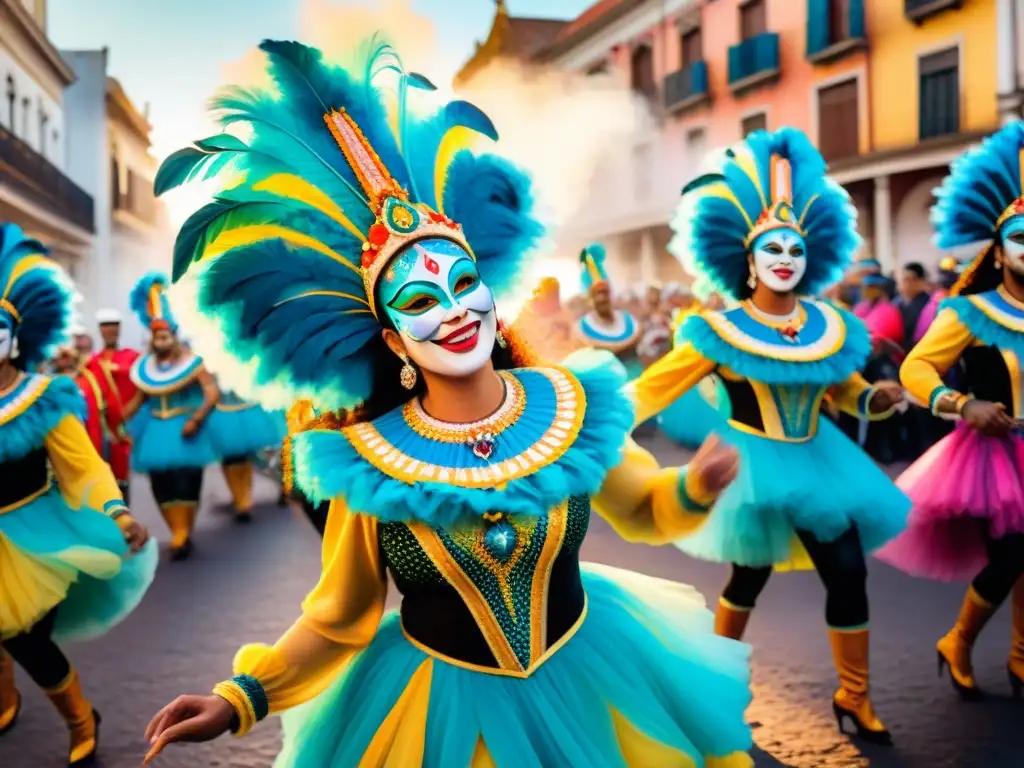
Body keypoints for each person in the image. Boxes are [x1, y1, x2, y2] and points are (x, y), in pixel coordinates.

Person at [142, 38, 753, 767]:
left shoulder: (569, 405)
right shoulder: (369, 464)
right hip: (440, 720)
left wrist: (693, 485)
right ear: (394, 339)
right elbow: (339, 617)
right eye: (421, 301)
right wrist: (239, 698)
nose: (455, 310)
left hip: (595, 685)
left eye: (464, 284)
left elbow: (643, 505)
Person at [632, 127, 911, 745]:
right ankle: (714, 683)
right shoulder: (720, 331)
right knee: (747, 577)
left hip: (822, 461)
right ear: (748, 259)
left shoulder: (828, 324)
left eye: (795, 248)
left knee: (847, 572)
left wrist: (878, 397)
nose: (785, 257)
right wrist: (587, 425)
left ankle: (855, 694)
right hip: (754, 467)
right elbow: (651, 388)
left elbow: (844, 391)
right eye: (772, 247)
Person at [876, 121, 1024, 701]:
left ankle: (1020, 657)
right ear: (999, 249)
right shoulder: (970, 312)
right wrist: (963, 404)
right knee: (1013, 553)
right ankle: (958, 640)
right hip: (993, 456)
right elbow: (916, 369)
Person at [0, 223, 156, 765]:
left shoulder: (43, 396)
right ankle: (5, 697)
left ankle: (80, 718)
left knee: (27, 639)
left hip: (33, 538)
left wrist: (117, 513)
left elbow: (82, 466)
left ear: (14, 337)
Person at [123, 272, 221, 561]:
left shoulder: (193, 363)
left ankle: (182, 532)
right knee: (161, 484)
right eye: (157, 336)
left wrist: (197, 419)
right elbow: (138, 399)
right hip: (156, 432)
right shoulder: (146, 368)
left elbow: (211, 393)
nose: (161, 340)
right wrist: (115, 418)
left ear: (174, 337)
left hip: (186, 429)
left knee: (187, 481)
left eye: (165, 335)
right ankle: (178, 531)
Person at [85, 308, 140, 504]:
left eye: (113, 325)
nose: (110, 330)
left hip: (127, 425)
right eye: (105, 325)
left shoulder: (132, 357)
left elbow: (143, 388)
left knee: (122, 479)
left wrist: (129, 411)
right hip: (100, 428)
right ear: (100, 329)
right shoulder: (91, 361)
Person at [208, 389, 287, 521]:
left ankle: (243, 501)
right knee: (237, 454)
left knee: (238, 455)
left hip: (243, 408)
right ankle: (243, 500)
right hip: (237, 409)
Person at [573, 243, 643, 379]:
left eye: (605, 292)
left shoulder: (630, 321)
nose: (602, 298)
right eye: (597, 294)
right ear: (590, 299)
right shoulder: (581, 328)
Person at [508, 276, 582, 363]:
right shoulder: (527, 314)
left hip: (557, 354)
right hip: (531, 354)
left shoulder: (563, 313)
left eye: (555, 295)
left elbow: (569, 335)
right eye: (551, 295)